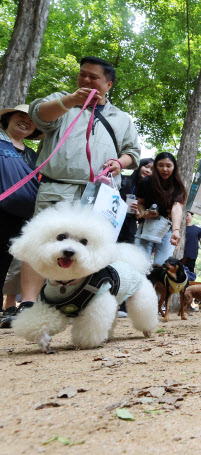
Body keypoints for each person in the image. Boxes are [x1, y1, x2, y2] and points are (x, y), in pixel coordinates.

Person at [13, 56, 141, 323]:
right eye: (82, 74)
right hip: (57, 188)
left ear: (109, 84)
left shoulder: (122, 118)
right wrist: (70, 101)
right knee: (42, 243)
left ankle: (83, 303)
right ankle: (27, 304)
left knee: (93, 248)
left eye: (93, 77)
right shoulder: (62, 100)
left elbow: (133, 153)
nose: (85, 80)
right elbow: (39, 116)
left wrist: (120, 162)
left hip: (100, 194)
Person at [0, 105, 43, 326]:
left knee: (6, 260)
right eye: (20, 116)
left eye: (31, 120)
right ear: (8, 118)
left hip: (19, 216)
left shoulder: (31, 155)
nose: (26, 121)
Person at [135, 152, 186, 265]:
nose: (165, 169)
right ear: (155, 166)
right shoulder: (146, 182)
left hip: (167, 230)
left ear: (174, 167)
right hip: (146, 227)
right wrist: (144, 213)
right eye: (161, 165)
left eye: (168, 166)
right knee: (139, 263)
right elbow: (141, 203)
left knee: (162, 266)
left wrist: (176, 231)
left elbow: (177, 207)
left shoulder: (178, 186)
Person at [118, 157, 153, 244]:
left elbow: (142, 217)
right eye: (146, 166)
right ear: (139, 165)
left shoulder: (149, 191)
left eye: (152, 169)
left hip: (129, 226)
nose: (148, 170)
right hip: (114, 219)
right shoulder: (122, 179)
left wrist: (137, 211)